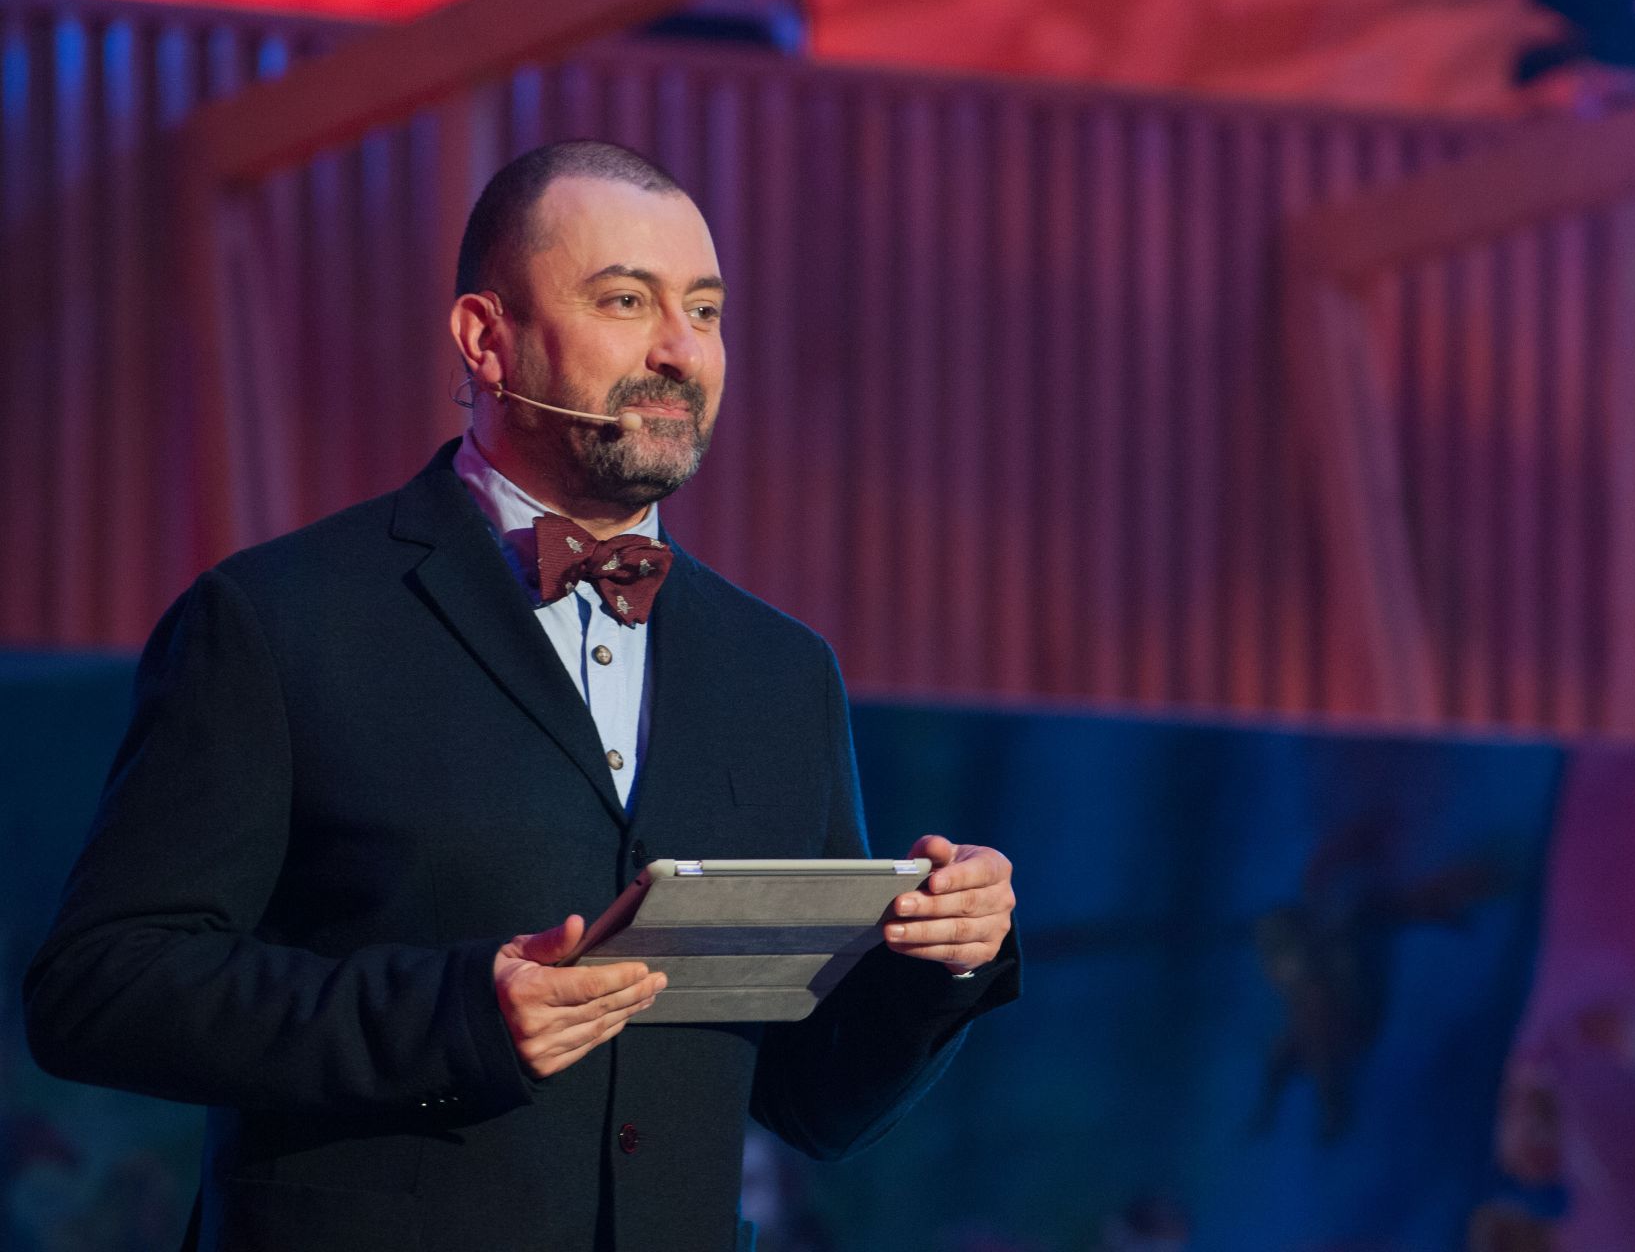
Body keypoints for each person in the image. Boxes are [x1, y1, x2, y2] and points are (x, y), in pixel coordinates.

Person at [23, 140, 1021, 1252]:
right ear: (485, 340)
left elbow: (812, 1102)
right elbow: (100, 991)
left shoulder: (782, 672)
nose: (678, 349)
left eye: (704, 310)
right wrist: (454, 1018)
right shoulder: (279, 619)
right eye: (625, 301)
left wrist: (940, 962)